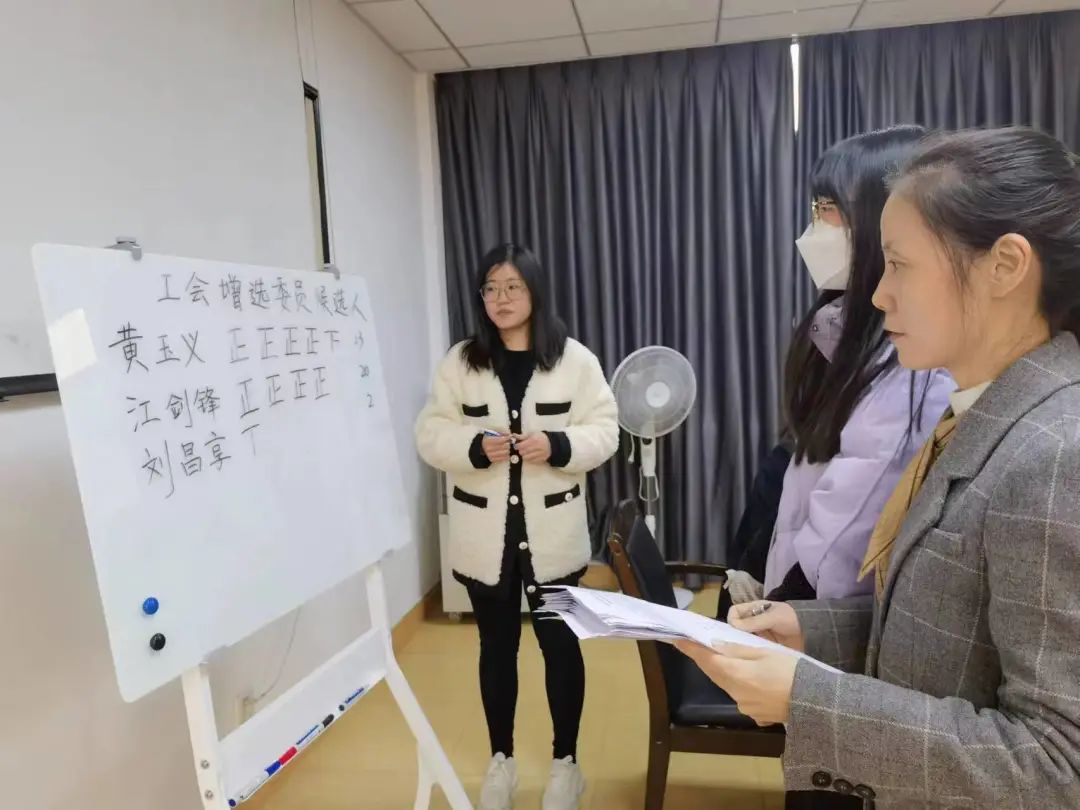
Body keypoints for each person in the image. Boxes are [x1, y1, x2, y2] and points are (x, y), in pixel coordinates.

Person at [680, 127, 1080, 809]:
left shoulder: (1055, 453)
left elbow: (1056, 765)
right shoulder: (980, 414)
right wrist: (815, 631)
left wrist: (810, 699)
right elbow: (954, 637)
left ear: (1005, 266)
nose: (877, 295)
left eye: (898, 265)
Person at [415, 242, 618, 810]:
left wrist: (556, 445)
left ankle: (566, 764)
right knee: (496, 650)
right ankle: (500, 760)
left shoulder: (573, 360)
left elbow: (606, 429)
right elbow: (430, 433)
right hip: (486, 539)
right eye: (491, 288)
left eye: (513, 287)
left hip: (553, 537)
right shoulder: (461, 362)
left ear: (534, 291)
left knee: (560, 647)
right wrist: (473, 447)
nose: (501, 299)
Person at [722, 126, 953, 614]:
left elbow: (847, 531)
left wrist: (784, 608)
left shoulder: (914, 363)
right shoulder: (841, 331)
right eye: (815, 208)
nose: (814, 227)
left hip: (827, 617)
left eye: (827, 207)